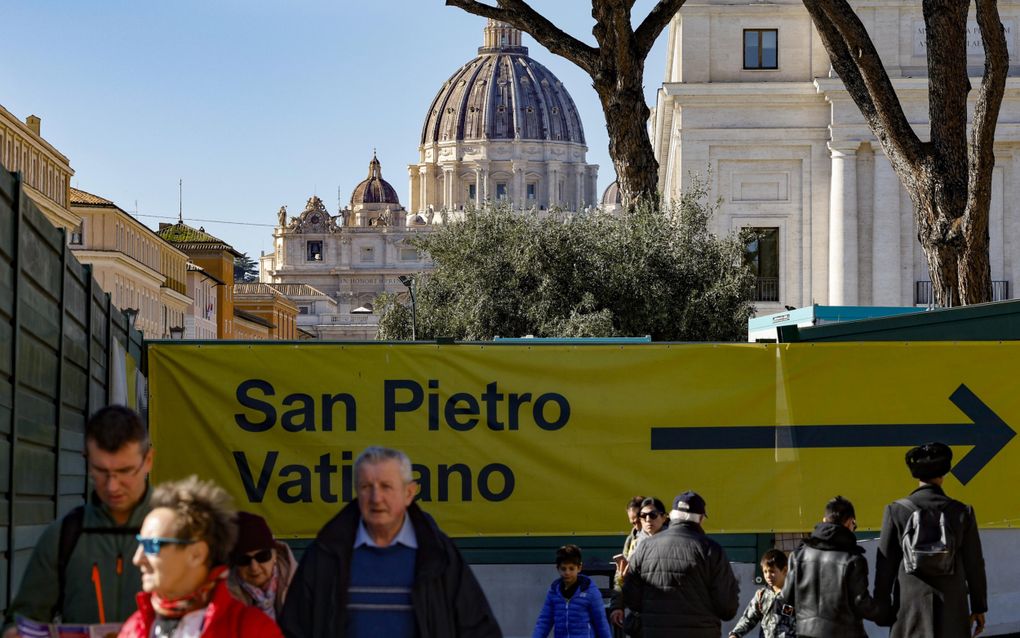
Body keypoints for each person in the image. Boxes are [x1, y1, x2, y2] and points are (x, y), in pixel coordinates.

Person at [279, 446, 501, 638]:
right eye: (367, 487)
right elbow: (293, 630)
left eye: (386, 486)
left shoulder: (439, 556)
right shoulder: (325, 555)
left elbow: (478, 630)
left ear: (409, 493)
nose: (376, 498)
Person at [2, 406, 154, 637]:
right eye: (100, 470)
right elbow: (21, 622)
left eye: (125, 471)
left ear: (148, 461)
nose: (112, 486)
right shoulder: (64, 535)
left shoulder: (184, 531)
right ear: (86, 460)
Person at [119, 476, 282, 638]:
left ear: (197, 554)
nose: (137, 558)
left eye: (152, 545)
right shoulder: (134, 628)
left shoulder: (250, 629)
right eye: (140, 543)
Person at [874, 442, 988, 638]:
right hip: (953, 608)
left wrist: (882, 608)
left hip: (909, 608)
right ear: (943, 475)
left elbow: (885, 566)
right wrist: (979, 607)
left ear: (916, 475)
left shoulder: (896, 511)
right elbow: (974, 564)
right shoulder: (962, 512)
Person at [622, 491, 740, 638]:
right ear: (701, 518)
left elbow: (631, 598)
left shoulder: (644, 548)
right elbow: (727, 609)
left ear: (671, 515)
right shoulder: (711, 550)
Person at [781, 496, 886, 638]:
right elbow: (861, 604)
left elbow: (786, 598)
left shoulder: (798, 556)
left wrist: (799, 620)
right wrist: (886, 614)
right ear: (850, 522)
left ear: (824, 520)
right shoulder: (852, 559)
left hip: (804, 633)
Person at [610, 497, 668, 632]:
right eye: (634, 522)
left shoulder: (671, 539)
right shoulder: (632, 540)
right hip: (639, 614)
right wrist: (617, 605)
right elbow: (620, 577)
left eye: (652, 516)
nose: (637, 526)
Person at [227, 511, 296, 621]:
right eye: (244, 560)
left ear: (275, 555)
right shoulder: (224, 595)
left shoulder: (301, 583)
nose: (254, 567)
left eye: (262, 556)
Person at [531, 544, 613, 638]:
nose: (567, 573)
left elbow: (601, 623)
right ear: (557, 568)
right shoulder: (553, 592)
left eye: (571, 568)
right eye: (563, 569)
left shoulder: (590, 592)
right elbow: (544, 622)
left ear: (579, 568)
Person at [730, 549, 796, 638]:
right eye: (765, 571)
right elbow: (748, 618)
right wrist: (735, 634)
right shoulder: (762, 595)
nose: (768, 576)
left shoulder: (796, 595)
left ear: (784, 570)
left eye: (772, 571)